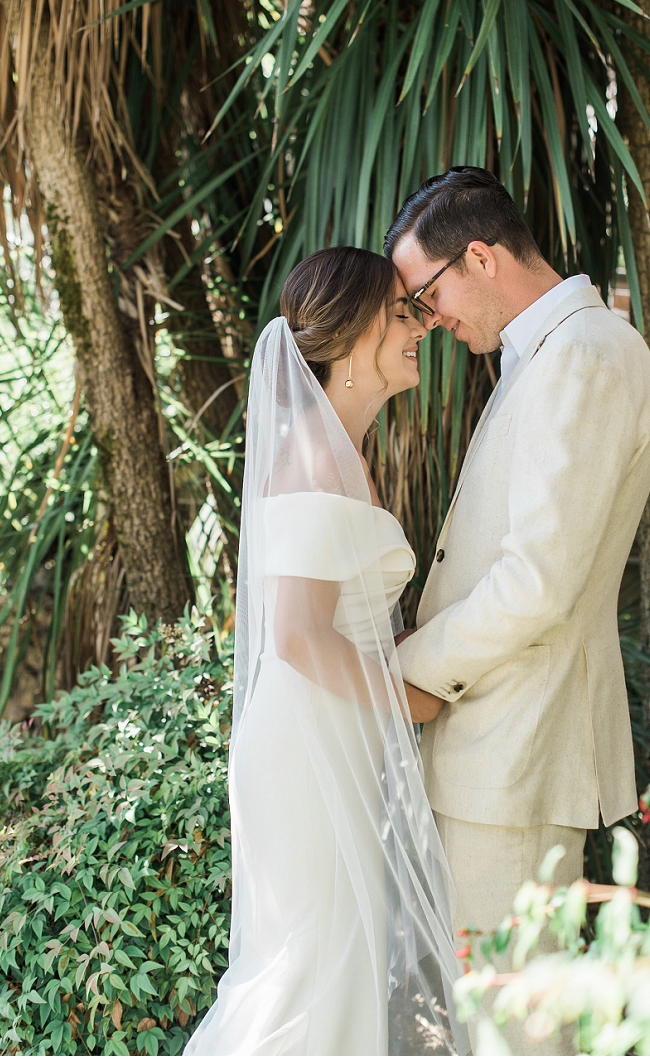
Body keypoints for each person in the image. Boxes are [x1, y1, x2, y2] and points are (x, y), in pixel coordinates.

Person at [386, 167, 650, 1054]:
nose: (429, 320)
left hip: (516, 747)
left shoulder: (584, 354)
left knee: (514, 1026)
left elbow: (537, 580)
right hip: (493, 743)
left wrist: (411, 674)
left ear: (480, 256)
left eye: (428, 294)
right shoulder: (541, 355)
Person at [186, 247, 466, 1055]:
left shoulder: (340, 451)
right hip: (304, 750)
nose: (421, 329)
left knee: (337, 960)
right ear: (350, 336)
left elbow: (344, 623)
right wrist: (411, 699)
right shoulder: (315, 456)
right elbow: (299, 635)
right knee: (309, 970)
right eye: (401, 313)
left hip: (330, 733)